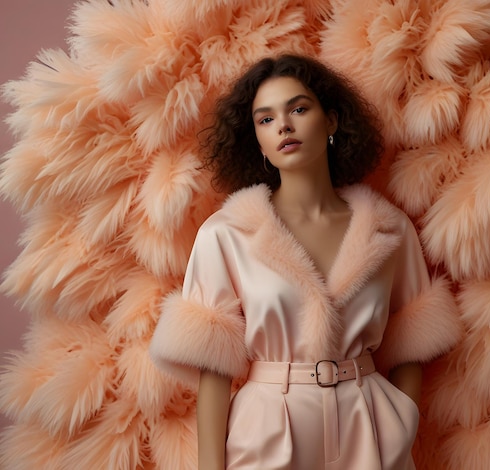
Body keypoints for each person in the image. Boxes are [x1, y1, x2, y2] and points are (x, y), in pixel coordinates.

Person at [150, 53, 458, 469]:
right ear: (256, 139)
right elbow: (214, 371)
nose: (284, 126)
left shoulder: (388, 229)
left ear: (331, 121)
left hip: (367, 423)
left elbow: (411, 338)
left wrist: (401, 420)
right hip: (266, 431)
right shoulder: (225, 234)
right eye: (265, 119)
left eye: (298, 108)